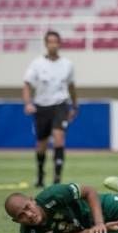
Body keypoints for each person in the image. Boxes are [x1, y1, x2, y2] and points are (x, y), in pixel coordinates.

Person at [23, 31, 78, 188]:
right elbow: (27, 84)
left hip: (60, 105)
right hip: (41, 106)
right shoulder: (37, 64)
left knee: (59, 137)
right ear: (46, 44)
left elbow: (71, 86)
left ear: (59, 44)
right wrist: (28, 103)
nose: (53, 44)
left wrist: (74, 105)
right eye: (50, 42)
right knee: (41, 144)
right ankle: (40, 175)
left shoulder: (67, 64)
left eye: (56, 42)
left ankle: (57, 178)